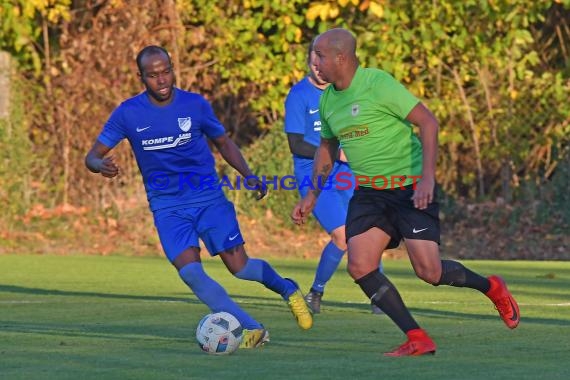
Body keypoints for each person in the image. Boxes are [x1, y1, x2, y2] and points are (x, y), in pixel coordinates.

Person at [291, 29, 520, 357]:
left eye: (321, 57)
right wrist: (311, 195)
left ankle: (492, 287)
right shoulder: (327, 99)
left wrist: (427, 179)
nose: (315, 64)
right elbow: (327, 147)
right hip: (370, 194)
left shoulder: (378, 84)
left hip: (409, 189)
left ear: (341, 58)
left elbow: (428, 123)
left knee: (430, 272)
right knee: (360, 266)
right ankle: (417, 337)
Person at [85, 45, 312, 349]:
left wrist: (249, 175)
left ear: (172, 68)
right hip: (167, 207)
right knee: (191, 273)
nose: (162, 79)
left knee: (240, 268)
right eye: (153, 75)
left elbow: (224, 142)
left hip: (209, 200)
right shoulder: (128, 113)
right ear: (141, 77)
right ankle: (252, 328)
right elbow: (92, 156)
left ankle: (287, 288)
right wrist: (100, 165)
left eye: (166, 71)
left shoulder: (195, 105)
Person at [284, 40, 384, 314]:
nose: (318, 66)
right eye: (313, 60)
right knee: (342, 236)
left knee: (368, 231)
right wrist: (335, 152)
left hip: (346, 174)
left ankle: (379, 294)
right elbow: (295, 144)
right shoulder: (298, 95)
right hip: (314, 176)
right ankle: (316, 292)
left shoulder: (345, 94)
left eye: (323, 59)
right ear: (308, 62)